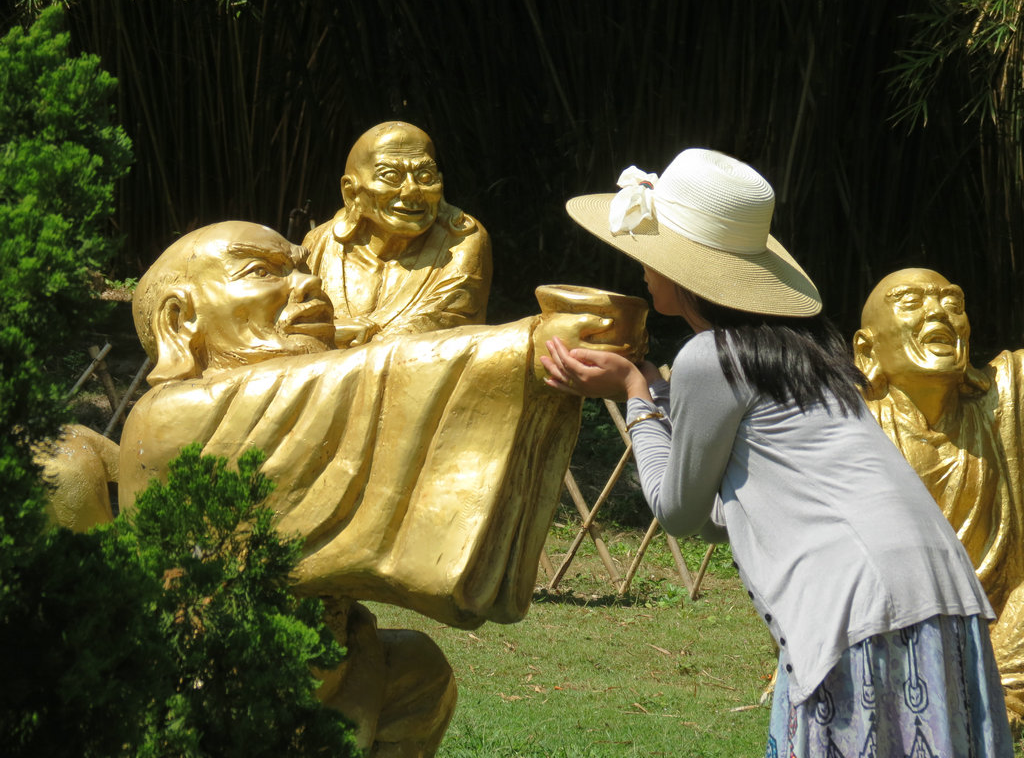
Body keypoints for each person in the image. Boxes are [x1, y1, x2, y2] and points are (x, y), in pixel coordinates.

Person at [541, 150, 1012, 756]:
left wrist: (635, 392)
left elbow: (679, 511)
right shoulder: (811, 356)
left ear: (684, 273)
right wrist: (656, 386)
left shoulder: (711, 358)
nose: (640, 266)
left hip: (857, 607)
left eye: (650, 252)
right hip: (942, 598)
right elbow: (739, 509)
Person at [120, 220, 639, 756]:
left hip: (336, 659)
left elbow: (365, 375)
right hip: (218, 675)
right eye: (261, 272)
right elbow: (377, 375)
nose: (307, 285)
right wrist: (527, 347)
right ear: (181, 320)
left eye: (303, 266)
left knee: (418, 673)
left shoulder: (318, 387)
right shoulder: (169, 418)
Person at [855, 268, 1024, 726]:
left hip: (994, 624)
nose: (939, 314)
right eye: (911, 302)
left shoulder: (1005, 401)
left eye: (953, 302)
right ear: (866, 350)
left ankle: (994, 686)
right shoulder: (850, 428)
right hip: (886, 622)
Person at [302, 121, 492, 348]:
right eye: (391, 176)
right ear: (351, 192)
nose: (412, 192)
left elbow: (436, 333)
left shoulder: (461, 241)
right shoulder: (319, 243)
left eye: (425, 177)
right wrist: (328, 332)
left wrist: (329, 334)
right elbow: (286, 330)